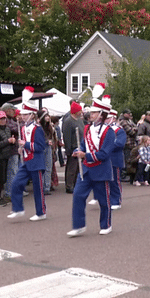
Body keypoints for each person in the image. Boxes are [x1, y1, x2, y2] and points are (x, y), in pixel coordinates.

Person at [67, 89, 116, 237]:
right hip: (86, 170)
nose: (91, 114)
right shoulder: (87, 128)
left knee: (103, 200)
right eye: (91, 112)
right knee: (77, 195)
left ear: (101, 114)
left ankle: (106, 224)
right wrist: (78, 150)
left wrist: (85, 155)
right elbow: (83, 144)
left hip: (101, 170)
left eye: (94, 112)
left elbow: (104, 154)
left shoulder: (109, 131)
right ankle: (79, 225)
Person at [7, 98, 48, 222]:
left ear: (32, 115)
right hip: (26, 161)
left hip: (36, 161)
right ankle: (18, 209)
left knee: (38, 190)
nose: (22, 117)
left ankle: (41, 212)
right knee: (16, 183)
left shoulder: (37, 128)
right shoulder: (23, 128)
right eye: (22, 114)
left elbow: (41, 147)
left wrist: (26, 144)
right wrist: (22, 149)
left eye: (25, 114)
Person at [103, 107, 126, 209]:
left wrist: (107, 145)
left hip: (115, 159)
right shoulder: (103, 129)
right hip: (105, 159)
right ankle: (106, 199)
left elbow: (120, 143)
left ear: (113, 118)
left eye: (108, 118)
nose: (106, 120)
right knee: (105, 181)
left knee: (115, 181)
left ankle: (116, 200)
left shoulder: (119, 131)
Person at [61, 102, 84, 193]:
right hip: (73, 147)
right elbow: (67, 136)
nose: (81, 112)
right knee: (72, 168)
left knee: (78, 168)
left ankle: (75, 184)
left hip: (80, 146)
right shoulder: (68, 121)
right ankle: (69, 185)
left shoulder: (79, 120)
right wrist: (68, 149)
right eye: (80, 110)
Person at [39, 109, 58, 195]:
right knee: (42, 168)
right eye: (45, 116)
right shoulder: (39, 127)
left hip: (49, 148)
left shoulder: (50, 126)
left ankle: (47, 187)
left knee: (48, 167)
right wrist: (46, 141)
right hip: (42, 147)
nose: (47, 117)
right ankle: (42, 187)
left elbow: (53, 136)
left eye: (48, 116)